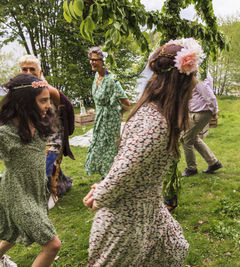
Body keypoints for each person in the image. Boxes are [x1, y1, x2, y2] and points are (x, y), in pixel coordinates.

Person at [82, 38, 204, 266]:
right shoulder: (156, 123)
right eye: (193, 76)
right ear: (179, 82)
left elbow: (129, 163)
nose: (196, 82)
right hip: (126, 219)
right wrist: (100, 194)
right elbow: (126, 168)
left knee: (175, 250)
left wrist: (103, 186)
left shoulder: (159, 114)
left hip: (149, 209)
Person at [0, 73, 61, 267]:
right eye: (43, 101)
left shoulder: (40, 123)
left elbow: (62, 102)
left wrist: (42, 84)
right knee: (53, 245)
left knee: (14, 232)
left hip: (35, 190)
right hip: (16, 193)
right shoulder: (5, 132)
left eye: (48, 100)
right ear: (25, 102)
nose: (48, 106)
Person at [19, 55, 75, 206]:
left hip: (55, 131)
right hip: (39, 132)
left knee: (48, 161)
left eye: (32, 69)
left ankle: (51, 196)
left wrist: (67, 132)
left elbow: (68, 106)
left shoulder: (46, 89)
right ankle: (63, 183)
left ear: (39, 71)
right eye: (25, 69)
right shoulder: (22, 90)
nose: (29, 72)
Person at [85, 46, 130, 179]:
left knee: (110, 147)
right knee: (99, 145)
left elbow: (126, 102)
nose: (92, 62)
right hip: (99, 118)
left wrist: (118, 111)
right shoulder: (96, 76)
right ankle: (106, 174)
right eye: (91, 59)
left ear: (104, 61)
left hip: (110, 119)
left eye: (95, 60)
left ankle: (111, 176)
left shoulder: (112, 80)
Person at [181, 72, 222, 177]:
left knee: (186, 140)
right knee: (192, 138)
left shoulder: (199, 76)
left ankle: (191, 169)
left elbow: (210, 96)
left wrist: (214, 111)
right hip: (196, 112)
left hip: (201, 112)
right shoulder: (194, 74)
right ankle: (213, 163)